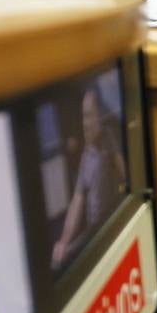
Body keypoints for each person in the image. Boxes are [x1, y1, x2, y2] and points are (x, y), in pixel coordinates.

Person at [52, 87, 127, 267]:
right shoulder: (86, 156)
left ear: (99, 117)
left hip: (111, 224)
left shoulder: (108, 139)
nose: (86, 123)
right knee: (59, 261)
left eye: (89, 116)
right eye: (84, 117)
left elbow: (126, 175)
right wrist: (63, 241)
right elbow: (77, 202)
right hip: (93, 232)